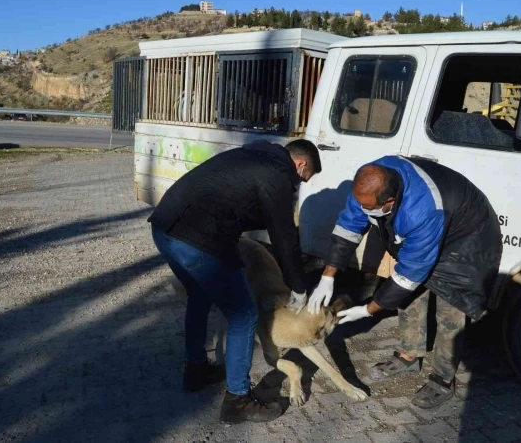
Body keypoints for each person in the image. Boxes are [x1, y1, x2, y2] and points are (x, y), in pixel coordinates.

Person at [307, 155, 502, 409]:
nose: (365, 212)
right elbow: (348, 227)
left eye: (371, 209)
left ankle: (443, 378)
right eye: (362, 205)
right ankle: (409, 355)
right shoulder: (369, 183)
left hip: (466, 240)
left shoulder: (422, 209)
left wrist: (368, 309)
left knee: (450, 309)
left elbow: (410, 273)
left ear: (390, 201)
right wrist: (327, 276)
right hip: (433, 226)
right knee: (409, 296)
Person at [148, 139, 321, 423]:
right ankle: (237, 400)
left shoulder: (251, 157)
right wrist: (299, 286)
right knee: (243, 316)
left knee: (200, 296)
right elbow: (284, 237)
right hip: (196, 239)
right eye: (304, 179)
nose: (298, 185)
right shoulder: (278, 175)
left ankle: (196, 370)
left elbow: (242, 207)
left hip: (164, 228)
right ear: (301, 164)